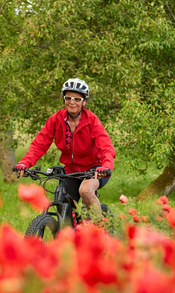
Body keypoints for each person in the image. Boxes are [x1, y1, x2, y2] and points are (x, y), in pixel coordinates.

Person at [14, 78, 115, 218]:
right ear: (64, 99)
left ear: (84, 101)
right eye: (68, 98)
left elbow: (106, 147)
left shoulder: (92, 121)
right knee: (64, 203)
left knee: (85, 191)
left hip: (95, 169)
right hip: (71, 170)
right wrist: (24, 163)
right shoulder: (55, 120)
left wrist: (106, 166)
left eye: (77, 99)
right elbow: (39, 145)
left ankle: (98, 231)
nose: (72, 102)